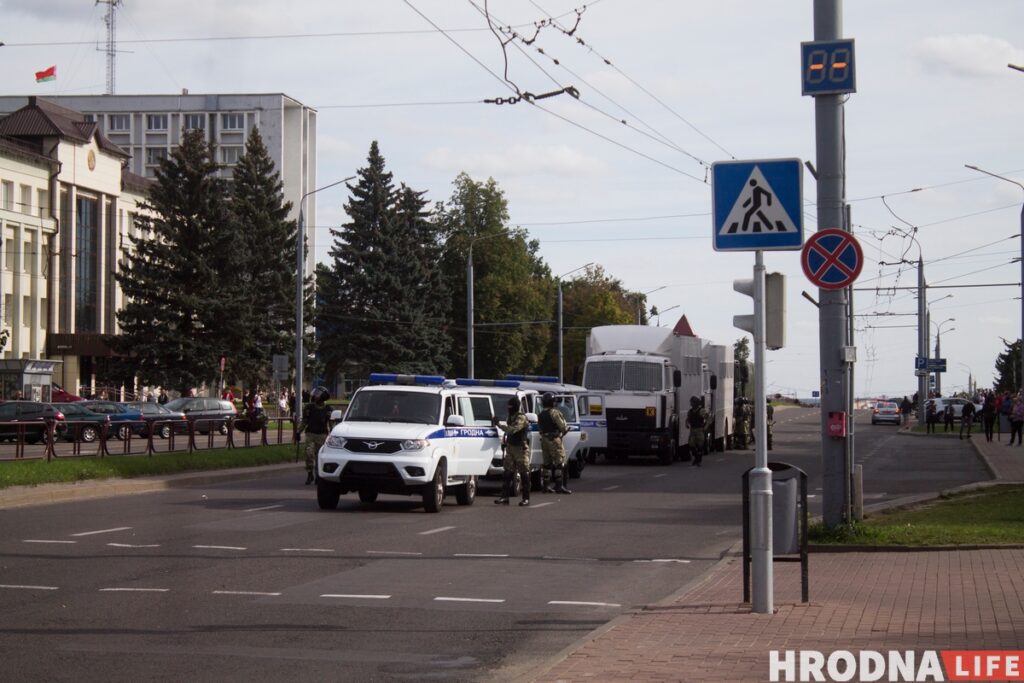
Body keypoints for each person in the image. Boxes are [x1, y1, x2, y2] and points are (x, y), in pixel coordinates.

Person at [493, 396, 530, 506]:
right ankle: (504, 497)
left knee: (524, 473)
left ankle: (526, 498)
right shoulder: (511, 416)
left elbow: (512, 430)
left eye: (511, 407)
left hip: (520, 448)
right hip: (511, 447)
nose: (509, 409)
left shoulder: (521, 418)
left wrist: (499, 424)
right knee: (507, 472)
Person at [297, 386, 332, 485]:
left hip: (322, 435)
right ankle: (309, 474)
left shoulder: (328, 409)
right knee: (309, 453)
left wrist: (332, 436)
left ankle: (318, 475)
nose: (315, 396)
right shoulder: (309, 408)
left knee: (319, 456)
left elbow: (331, 424)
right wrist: (298, 432)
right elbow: (304, 421)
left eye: (317, 394)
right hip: (310, 434)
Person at [537, 392, 571, 495]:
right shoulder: (555, 413)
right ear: (552, 402)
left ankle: (546, 486)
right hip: (554, 439)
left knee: (547, 463)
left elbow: (540, 429)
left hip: (544, 440)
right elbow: (563, 427)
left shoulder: (541, 414)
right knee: (559, 463)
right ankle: (559, 486)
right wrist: (564, 431)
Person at [685, 396, 709, 466]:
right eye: (691, 402)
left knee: (700, 445)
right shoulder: (690, 411)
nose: (691, 404)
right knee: (691, 444)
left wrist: (705, 427)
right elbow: (688, 419)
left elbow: (708, 419)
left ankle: (698, 460)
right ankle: (696, 457)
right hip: (692, 430)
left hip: (699, 430)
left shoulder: (701, 411)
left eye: (693, 402)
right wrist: (686, 424)